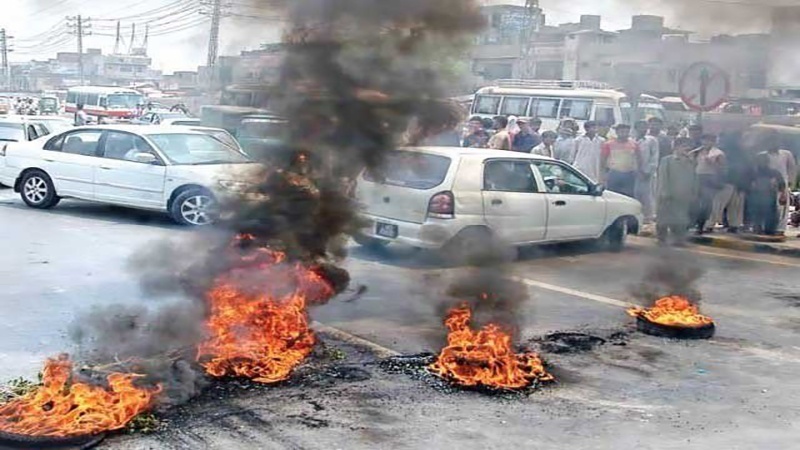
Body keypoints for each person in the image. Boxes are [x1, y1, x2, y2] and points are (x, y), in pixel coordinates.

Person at [656, 137, 698, 246]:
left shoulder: (691, 162)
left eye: (688, 146)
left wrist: (694, 192)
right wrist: (664, 191)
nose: (687, 149)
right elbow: (663, 177)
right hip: (668, 194)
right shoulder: (667, 160)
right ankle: (662, 238)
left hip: (684, 195)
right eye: (684, 146)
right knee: (664, 217)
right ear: (676, 148)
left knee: (681, 218)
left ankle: (679, 239)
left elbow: (694, 178)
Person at [759, 131, 797, 235]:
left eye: (775, 140)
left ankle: (780, 229)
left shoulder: (786, 154)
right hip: (765, 185)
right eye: (770, 140)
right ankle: (764, 228)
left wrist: (788, 184)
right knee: (765, 206)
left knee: (782, 207)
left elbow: (792, 170)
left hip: (782, 185)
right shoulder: (762, 155)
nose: (773, 143)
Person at [692, 133, 726, 234]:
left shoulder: (718, 153)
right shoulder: (698, 151)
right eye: (704, 140)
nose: (706, 143)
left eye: (709, 140)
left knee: (706, 205)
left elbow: (723, 168)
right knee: (695, 203)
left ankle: (702, 226)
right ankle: (694, 224)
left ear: (714, 142)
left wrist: (712, 163)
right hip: (697, 178)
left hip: (710, 179)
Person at [750, 153, 787, 235]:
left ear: (768, 162)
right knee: (757, 215)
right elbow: (748, 185)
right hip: (756, 199)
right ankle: (757, 228)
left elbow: (782, 184)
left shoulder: (774, 173)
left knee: (771, 217)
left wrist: (783, 195)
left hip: (770, 198)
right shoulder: (753, 173)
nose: (762, 163)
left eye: (764, 161)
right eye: (760, 161)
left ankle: (770, 230)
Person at [600, 124, 641, 198]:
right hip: (614, 173)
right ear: (617, 132)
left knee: (629, 196)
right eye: (621, 131)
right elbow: (603, 159)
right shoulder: (608, 144)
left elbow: (639, 158)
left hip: (630, 174)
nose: (624, 133)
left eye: (626, 131)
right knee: (613, 195)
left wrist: (638, 171)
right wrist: (603, 175)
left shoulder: (634, 144)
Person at [634, 120, 660, 222]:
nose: (643, 129)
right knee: (636, 194)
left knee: (648, 195)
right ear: (636, 128)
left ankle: (649, 217)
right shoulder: (632, 140)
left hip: (647, 173)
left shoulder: (651, 140)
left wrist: (647, 171)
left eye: (645, 127)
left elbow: (654, 157)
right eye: (640, 127)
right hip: (633, 173)